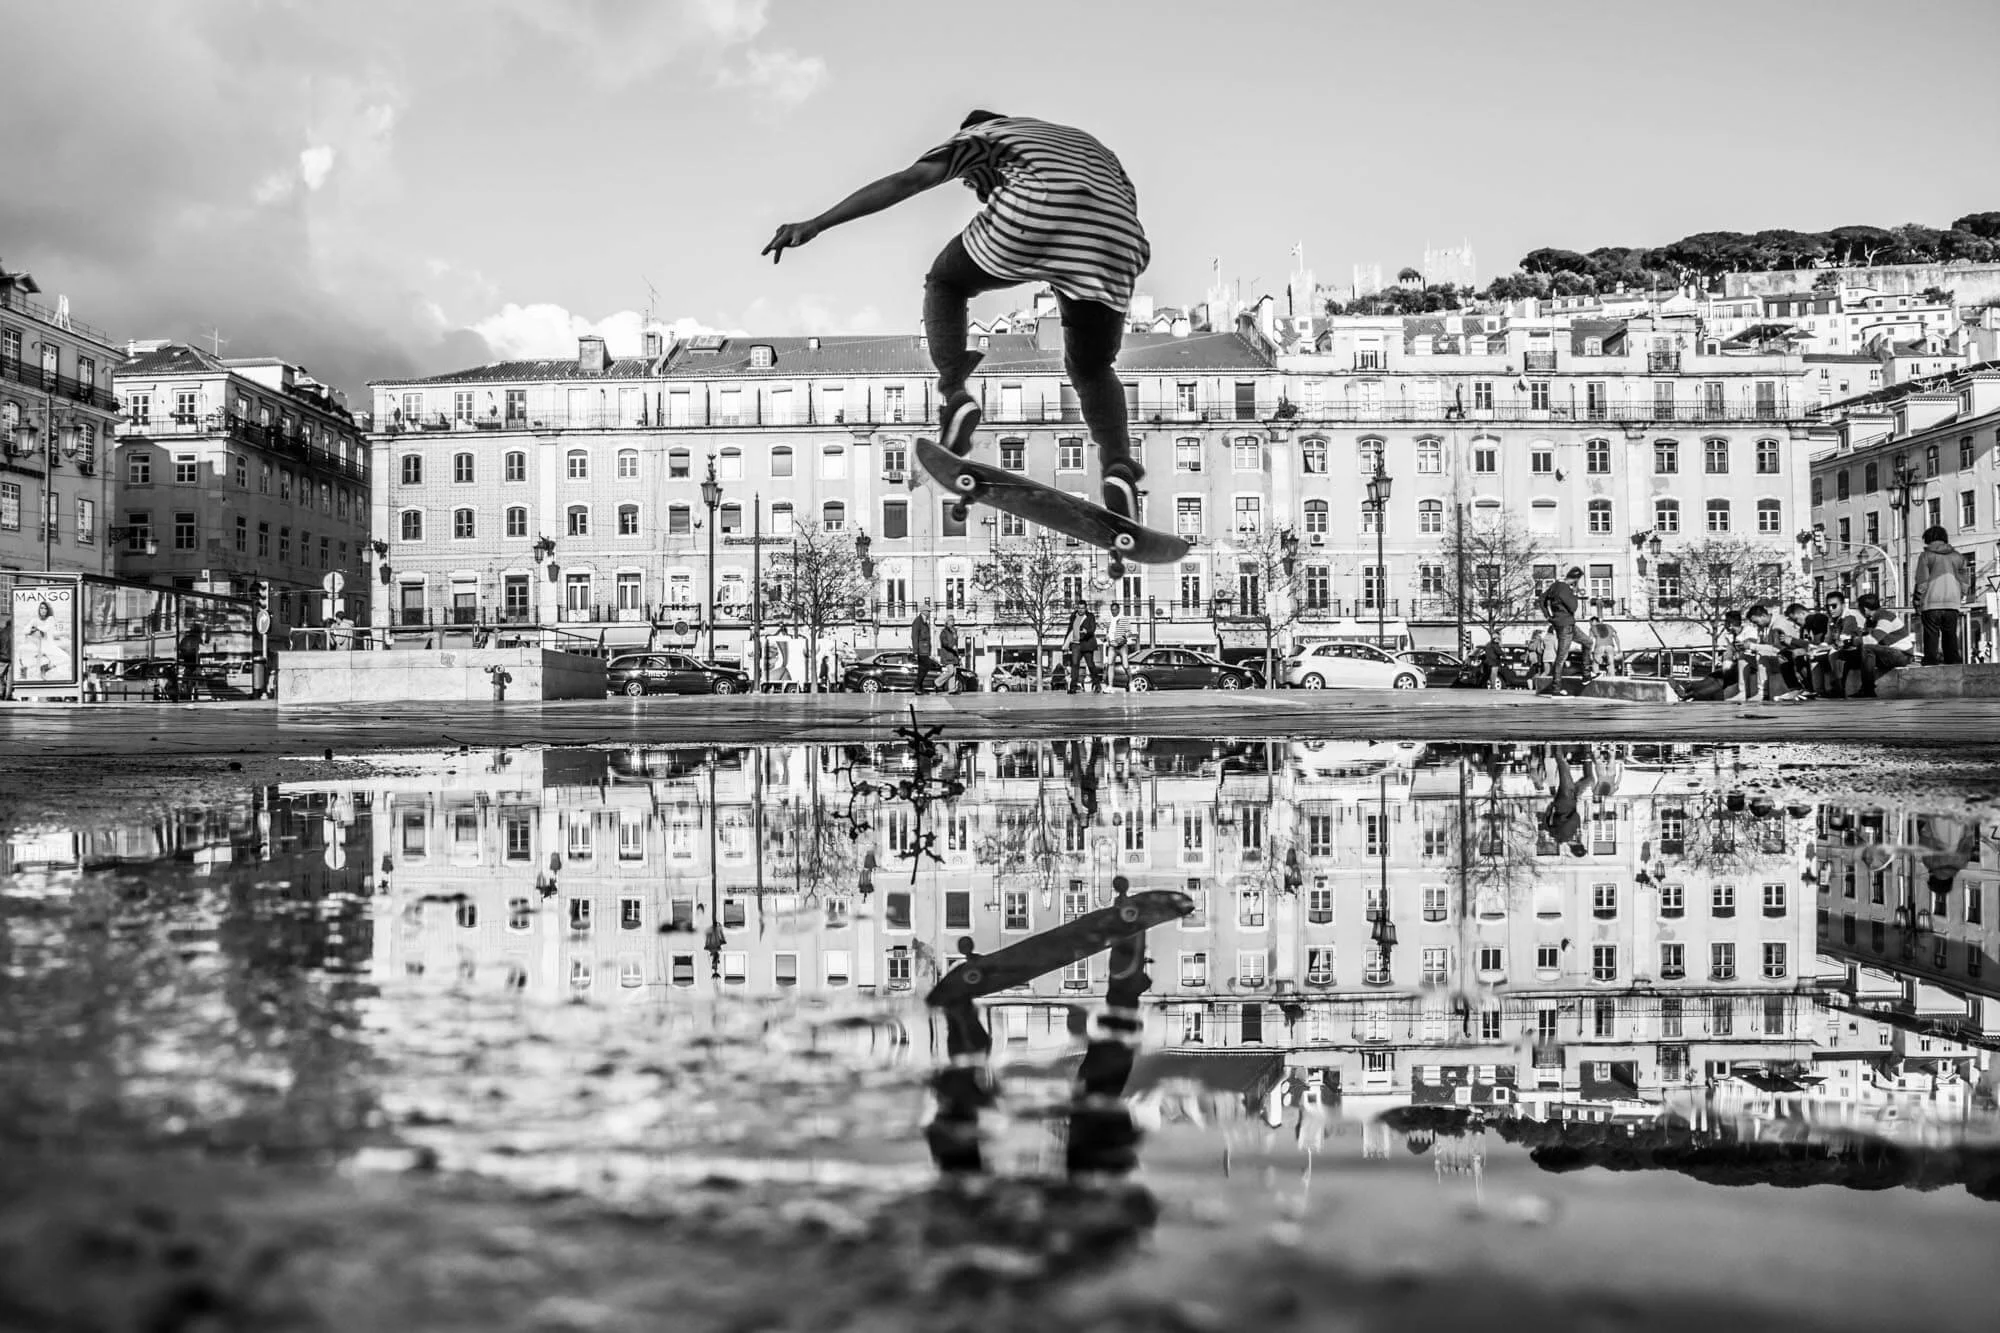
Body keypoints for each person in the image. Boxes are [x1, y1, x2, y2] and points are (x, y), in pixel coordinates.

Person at [764, 111, 1151, 519]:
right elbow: (1111, 207)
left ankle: (956, 396)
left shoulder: (984, 135)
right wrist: (1063, 270)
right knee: (1092, 369)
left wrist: (818, 223)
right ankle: (1118, 467)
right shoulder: (1083, 144)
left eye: (971, 181)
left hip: (1036, 212)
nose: (973, 188)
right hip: (1119, 240)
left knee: (946, 282)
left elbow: (908, 181)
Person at [1912, 524, 1972, 665]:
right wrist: (1961, 592)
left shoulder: (1926, 556)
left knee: (1931, 636)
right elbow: (1965, 578)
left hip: (1931, 602)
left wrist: (1917, 601)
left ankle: (1931, 663)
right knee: (1950, 635)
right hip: (1952, 602)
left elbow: (1922, 581)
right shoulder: (1957, 557)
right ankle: (1954, 663)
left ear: (1928, 539)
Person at [1842, 592, 1914, 698]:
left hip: (1902, 654)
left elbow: (1872, 640)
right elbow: (1866, 638)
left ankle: (1868, 689)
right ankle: (1840, 690)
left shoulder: (1885, 617)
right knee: (1849, 655)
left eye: (1860, 609)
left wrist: (1851, 641)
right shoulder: (1871, 620)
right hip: (1888, 652)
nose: (1860, 612)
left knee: (1866, 649)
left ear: (1865, 609)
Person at [1538, 567, 1594, 693]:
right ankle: (1556, 688)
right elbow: (1573, 607)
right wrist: (1574, 592)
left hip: (1566, 624)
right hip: (1565, 625)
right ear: (1576, 579)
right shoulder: (1565, 589)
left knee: (1588, 642)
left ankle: (1586, 675)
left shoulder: (1555, 586)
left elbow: (1541, 599)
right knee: (1561, 657)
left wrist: (1548, 615)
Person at [1062, 601, 1103, 694]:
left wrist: (1086, 631)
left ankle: (1097, 685)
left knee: (1090, 665)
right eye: (1079, 608)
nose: (1080, 610)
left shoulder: (1090, 616)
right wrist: (1066, 643)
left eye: (1082, 608)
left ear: (1086, 608)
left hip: (1087, 643)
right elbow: (1070, 629)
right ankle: (1073, 687)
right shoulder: (1073, 616)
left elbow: (1092, 629)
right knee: (1075, 665)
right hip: (1075, 644)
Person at [175, 622, 205, 702]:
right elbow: (201, 652)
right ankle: (192, 693)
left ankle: (184, 692)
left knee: (186, 678)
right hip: (194, 662)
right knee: (194, 679)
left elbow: (179, 650)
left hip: (185, 663)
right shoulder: (198, 639)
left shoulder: (185, 639)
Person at [911, 603, 935, 695]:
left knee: (924, 669)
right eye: (928, 611)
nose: (929, 613)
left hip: (925, 650)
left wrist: (929, 651)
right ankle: (917, 686)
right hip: (921, 650)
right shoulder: (918, 621)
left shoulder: (925, 622)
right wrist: (915, 651)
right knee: (924, 667)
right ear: (924, 612)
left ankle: (919, 687)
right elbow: (914, 637)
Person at [938, 613, 962, 682]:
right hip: (947, 655)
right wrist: (952, 647)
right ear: (947, 622)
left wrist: (957, 654)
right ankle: (937, 681)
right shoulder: (944, 632)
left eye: (953, 620)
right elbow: (944, 643)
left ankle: (952, 689)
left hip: (954, 655)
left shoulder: (954, 631)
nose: (952, 621)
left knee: (953, 673)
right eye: (951, 620)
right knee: (951, 672)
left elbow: (955, 643)